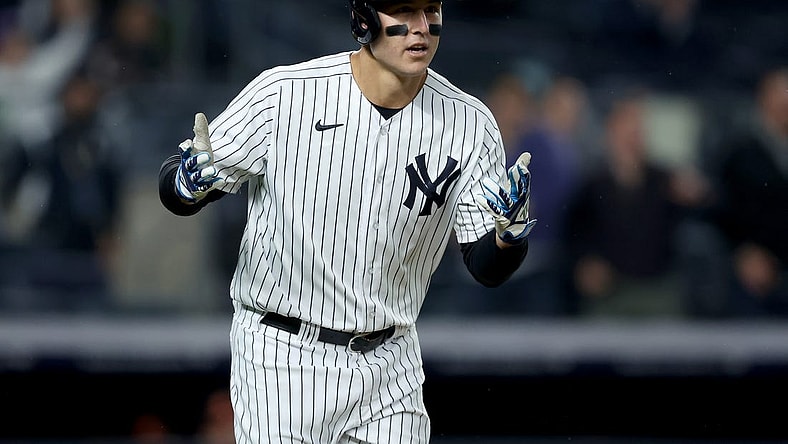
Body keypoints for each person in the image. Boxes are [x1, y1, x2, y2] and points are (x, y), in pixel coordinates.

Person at [158, 1, 537, 442]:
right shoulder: (285, 94)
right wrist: (185, 184)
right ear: (364, 19)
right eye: (403, 11)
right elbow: (181, 186)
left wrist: (509, 239)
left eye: (430, 10)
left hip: (390, 361)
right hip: (282, 353)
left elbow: (486, 267)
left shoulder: (470, 124)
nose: (420, 27)